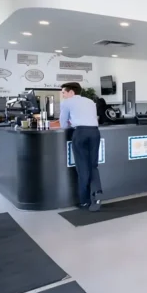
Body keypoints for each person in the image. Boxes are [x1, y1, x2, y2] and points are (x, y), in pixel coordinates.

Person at [59, 82, 103, 212]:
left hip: (80, 133)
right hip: (95, 132)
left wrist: (69, 123)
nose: (63, 95)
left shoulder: (67, 103)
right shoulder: (90, 101)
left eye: (64, 92)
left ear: (71, 92)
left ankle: (84, 201)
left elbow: (63, 124)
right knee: (93, 165)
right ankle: (97, 196)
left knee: (82, 167)